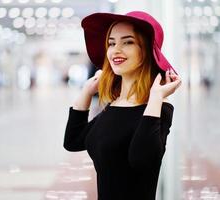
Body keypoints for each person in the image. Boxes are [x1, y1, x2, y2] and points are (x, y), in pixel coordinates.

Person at [63, 11, 182, 200]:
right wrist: (86, 91)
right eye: (111, 43)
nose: (115, 50)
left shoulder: (159, 107)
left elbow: (142, 159)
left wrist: (156, 97)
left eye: (128, 42)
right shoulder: (115, 104)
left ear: (146, 50)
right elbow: (73, 141)